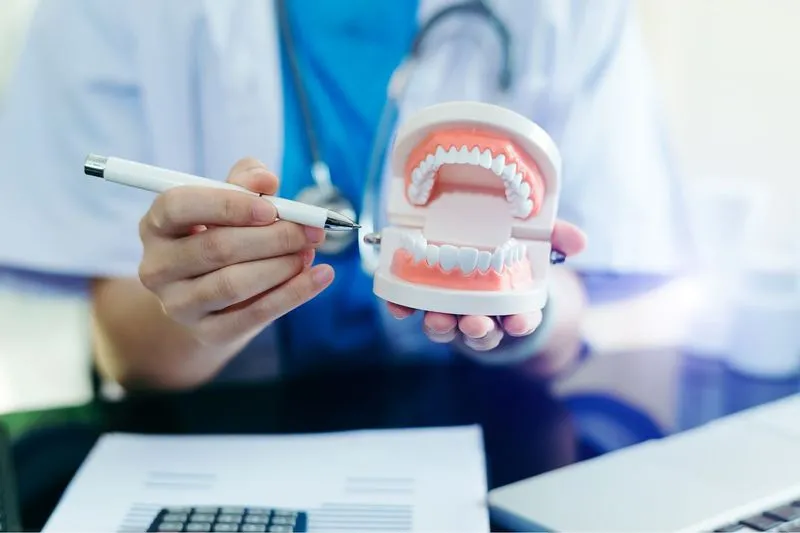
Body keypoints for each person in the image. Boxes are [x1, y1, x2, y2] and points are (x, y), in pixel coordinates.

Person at [0, 0, 689, 392]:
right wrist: (193, 305)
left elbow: (572, 304)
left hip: (485, 435)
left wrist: (522, 310)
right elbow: (131, 352)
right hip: (217, 435)